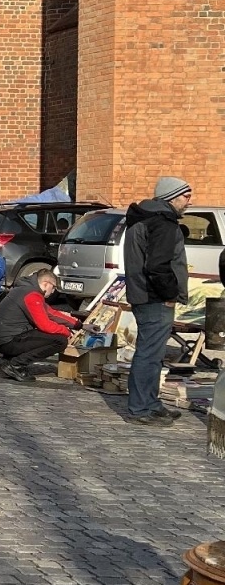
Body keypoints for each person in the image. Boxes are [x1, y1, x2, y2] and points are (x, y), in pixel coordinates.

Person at [123, 176, 192, 424]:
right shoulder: (162, 223)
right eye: (186, 196)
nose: (189, 201)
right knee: (149, 354)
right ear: (171, 197)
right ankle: (140, 408)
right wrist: (170, 295)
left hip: (143, 294)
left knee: (153, 353)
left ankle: (150, 403)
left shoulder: (145, 218)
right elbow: (157, 266)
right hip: (154, 298)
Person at [0, 267, 79, 382]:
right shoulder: (32, 295)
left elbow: (52, 313)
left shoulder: (25, 289)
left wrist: (78, 325)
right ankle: (16, 364)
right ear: (46, 284)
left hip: (3, 339)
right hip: (8, 341)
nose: (53, 292)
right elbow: (45, 325)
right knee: (60, 341)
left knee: (40, 334)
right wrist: (66, 332)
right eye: (53, 287)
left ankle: (8, 359)